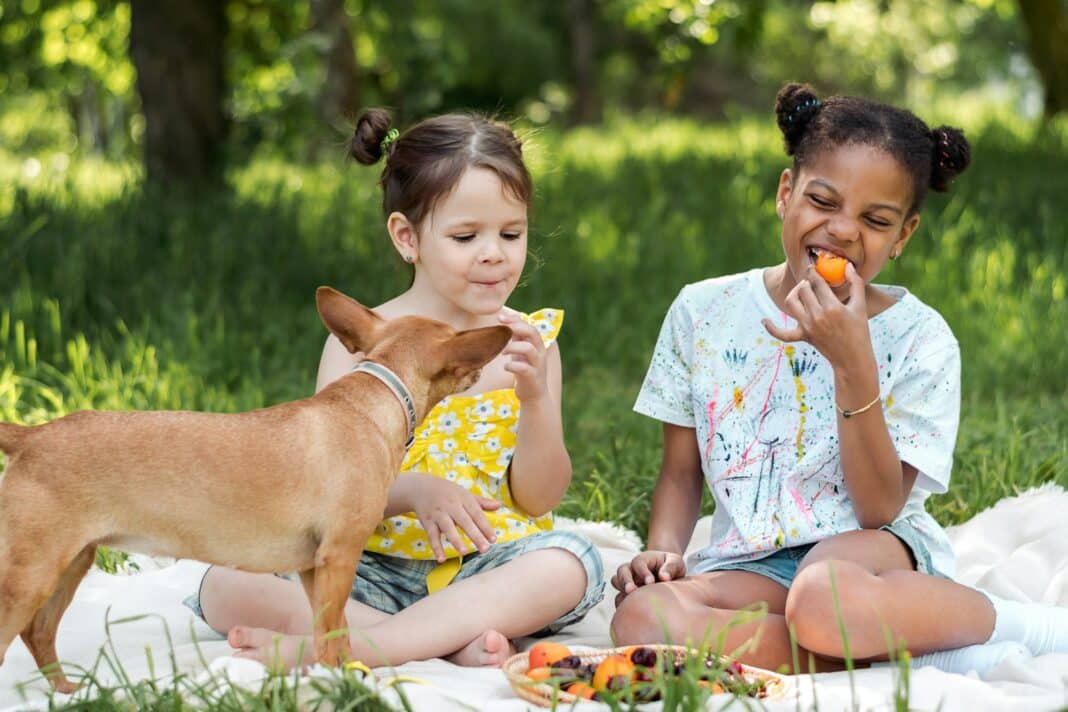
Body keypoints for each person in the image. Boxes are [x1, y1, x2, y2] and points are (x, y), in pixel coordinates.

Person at [610, 82, 1068, 675]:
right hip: (755, 564)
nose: (843, 230)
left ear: (902, 236)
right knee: (640, 620)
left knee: (823, 598)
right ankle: (904, 652)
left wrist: (852, 362)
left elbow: (878, 507)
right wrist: (664, 554)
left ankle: (1019, 626)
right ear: (786, 194)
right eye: (823, 202)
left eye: (876, 219)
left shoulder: (921, 339)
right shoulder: (703, 311)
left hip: (872, 559)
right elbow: (680, 472)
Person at [184, 108, 604, 669]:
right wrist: (414, 492)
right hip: (365, 569)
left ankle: (353, 645)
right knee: (224, 583)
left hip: (486, 567)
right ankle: (431, 641)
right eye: (464, 236)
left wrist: (535, 400)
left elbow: (539, 497)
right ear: (407, 236)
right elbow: (322, 489)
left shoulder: (532, 344)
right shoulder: (361, 343)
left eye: (511, 233)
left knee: (569, 562)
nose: (493, 253)